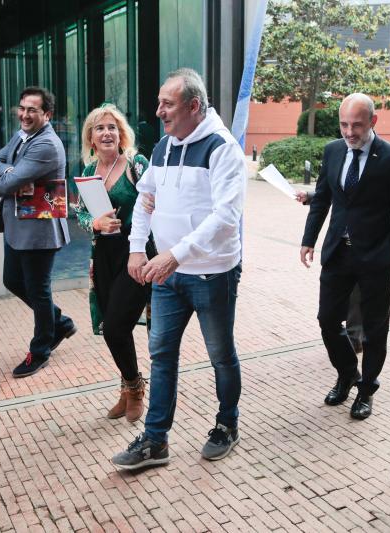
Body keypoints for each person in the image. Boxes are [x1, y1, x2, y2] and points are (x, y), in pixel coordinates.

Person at [111, 68, 246, 470]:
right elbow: (144, 199)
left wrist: (176, 254)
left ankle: (227, 425)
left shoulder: (223, 149)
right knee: (162, 354)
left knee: (220, 355)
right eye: (159, 103)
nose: (158, 112)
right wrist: (137, 249)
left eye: (166, 104)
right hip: (168, 274)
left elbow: (226, 217)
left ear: (193, 106)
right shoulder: (162, 149)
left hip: (212, 273)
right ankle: (156, 441)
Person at [300, 93, 390, 421]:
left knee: (375, 329)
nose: (349, 132)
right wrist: (309, 240)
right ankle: (347, 372)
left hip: (375, 258)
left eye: (357, 125)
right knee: (326, 320)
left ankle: (366, 390)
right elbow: (322, 198)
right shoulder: (333, 151)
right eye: (344, 124)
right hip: (337, 253)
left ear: (373, 122)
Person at [0, 86, 77, 378]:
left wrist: (7, 176)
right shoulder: (23, 135)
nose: (24, 114)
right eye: (22, 108)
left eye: (32, 110)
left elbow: (5, 185)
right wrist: (11, 172)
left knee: (38, 289)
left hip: (39, 230)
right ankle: (58, 322)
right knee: (12, 280)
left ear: (46, 115)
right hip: (17, 226)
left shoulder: (46, 144)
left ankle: (40, 350)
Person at [72, 104, 151, 423]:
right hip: (103, 255)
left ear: (121, 134)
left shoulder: (136, 163)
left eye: (112, 127)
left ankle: (135, 388)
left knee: (117, 324)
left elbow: (155, 201)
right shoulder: (89, 172)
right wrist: (95, 224)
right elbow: (80, 213)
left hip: (135, 253)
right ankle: (126, 386)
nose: (106, 133)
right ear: (90, 138)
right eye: (99, 128)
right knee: (111, 327)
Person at [295, 190, 364, 354]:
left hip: (368, 247)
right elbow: (340, 186)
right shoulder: (335, 162)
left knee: (357, 295)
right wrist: (312, 196)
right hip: (337, 246)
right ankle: (348, 365)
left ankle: (354, 340)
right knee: (327, 316)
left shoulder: (386, 163)